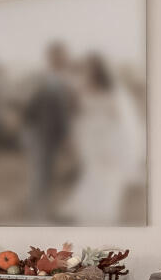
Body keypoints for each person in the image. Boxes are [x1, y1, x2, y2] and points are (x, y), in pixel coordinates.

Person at [61, 53, 144, 224]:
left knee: (106, 175)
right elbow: (79, 111)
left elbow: (118, 117)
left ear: (99, 69)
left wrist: (106, 133)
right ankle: (86, 207)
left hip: (106, 136)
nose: (88, 71)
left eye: (91, 67)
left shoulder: (112, 91)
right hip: (88, 135)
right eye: (87, 67)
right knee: (92, 170)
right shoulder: (83, 87)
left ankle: (102, 210)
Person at [19, 42, 74, 221]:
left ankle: (44, 208)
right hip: (39, 134)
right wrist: (32, 130)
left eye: (64, 55)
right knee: (39, 172)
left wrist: (64, 133)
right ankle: (37, 211)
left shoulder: (63, 79)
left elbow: (64, 111)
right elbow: (28, 107)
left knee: (48, 172)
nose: (64, 59)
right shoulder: (42, 79)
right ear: (52, 58)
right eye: (60, 56)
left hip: (52, 135)